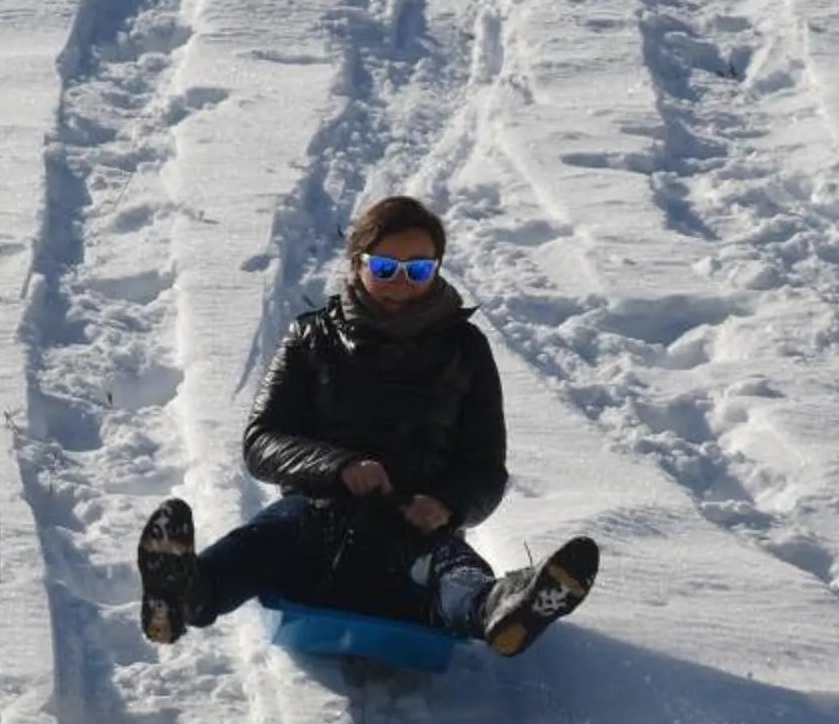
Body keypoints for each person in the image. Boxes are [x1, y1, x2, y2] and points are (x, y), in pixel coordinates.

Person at [135, 195, 597, 658]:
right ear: (357, 265)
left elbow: (486, 468)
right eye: (385, 268)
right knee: (270, 536)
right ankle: (187, 593)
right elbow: (262, 440)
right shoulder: (311, 337)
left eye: (418, 270)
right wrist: (340, 466)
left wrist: (446, 506)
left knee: (451, 568)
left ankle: (500, 610)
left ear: (437, 269)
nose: (401, 283)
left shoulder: (466, 349)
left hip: (413, 535)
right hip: (319, 527)